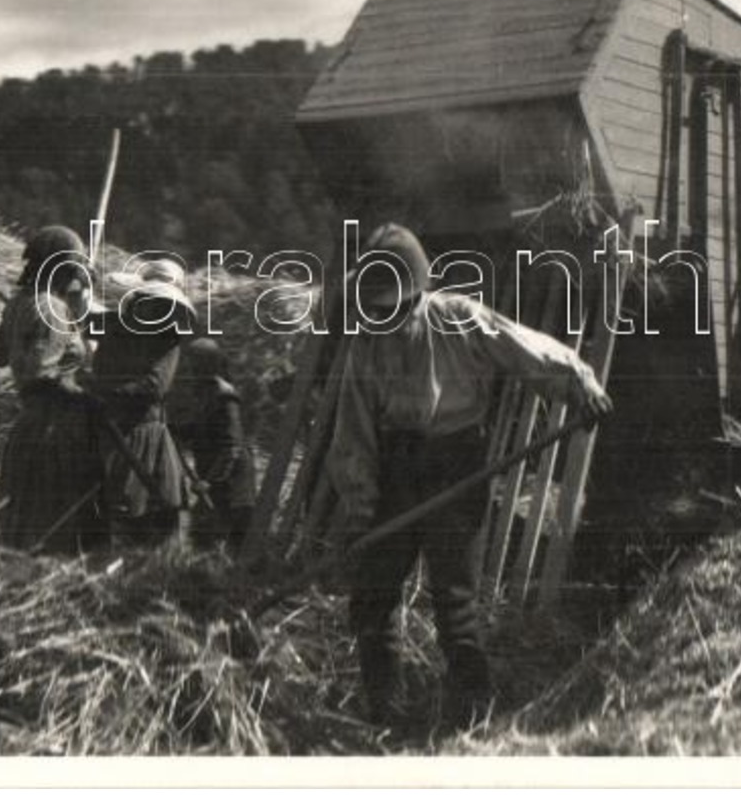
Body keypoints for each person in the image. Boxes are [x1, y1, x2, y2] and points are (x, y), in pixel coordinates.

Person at [327, 223, 614, 731]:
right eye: (374, 304)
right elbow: (355, 435)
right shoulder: (366, 344)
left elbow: (527, 349)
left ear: (416, 291)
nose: (382, 314)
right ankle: (385, 713)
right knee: (372, 596)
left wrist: (579, 383)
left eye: (392, 302)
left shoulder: (458, 318)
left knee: (452, 598)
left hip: (456, 465)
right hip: (398, 468)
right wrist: (360, 508)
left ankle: (474, 714)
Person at [0, 226, 104, 554]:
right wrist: (86, 396)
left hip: (29, 427)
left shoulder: (20, 303)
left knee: (23, 526)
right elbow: (41, 375)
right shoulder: (51, 308)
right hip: (54, 431)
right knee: (49, 531)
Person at [84, 260, 194, 547]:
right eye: (147, 300)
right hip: (107, 429)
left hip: (142, 434)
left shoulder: (167, 336)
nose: (151, 307)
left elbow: (154, 386)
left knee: (142, 507)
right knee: (102, 510)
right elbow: (82, 319)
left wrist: (104, 390)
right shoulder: (114, 326)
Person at [173, 337, 257, 552]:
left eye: (193, 362)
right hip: (217, 482)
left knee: (226, 546)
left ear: (206, 364)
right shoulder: (205, 392)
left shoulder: (224, 395)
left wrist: (211, 481)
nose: (188, 367)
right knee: (201, 539)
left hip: (231, 487)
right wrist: (174, 429)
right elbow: (202, 428)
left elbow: (232, 446)